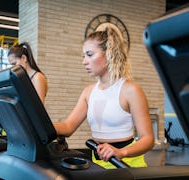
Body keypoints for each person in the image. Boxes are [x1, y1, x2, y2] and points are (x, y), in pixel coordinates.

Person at [54, 25, 154, 169]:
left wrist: (121, 152)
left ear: (108, 54)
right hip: (98, 163)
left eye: (89, 54)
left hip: (126, 164)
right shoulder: (88, 92)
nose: (84, 61)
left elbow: (148, 139)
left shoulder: (130, 90)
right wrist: (39, 125)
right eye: (83, 56)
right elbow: (68, 127)